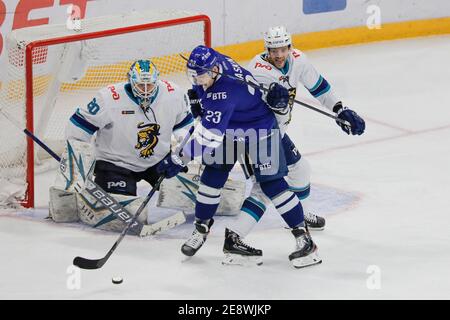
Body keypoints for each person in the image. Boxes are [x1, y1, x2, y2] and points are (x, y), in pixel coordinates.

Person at [159, 45, 322, 268]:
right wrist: (199, 99)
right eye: (194, 76)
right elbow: (202, 90)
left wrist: (180, 159)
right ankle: (201, 229)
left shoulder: (225, 93)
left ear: (215, 70)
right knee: (212, 176)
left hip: (260, 129)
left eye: (202, 76)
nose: (197, 81)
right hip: (229, 126)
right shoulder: (214, 66)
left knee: (273, 184)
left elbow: (208, 137)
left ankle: (304, 239)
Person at [219, 26, 365, 265]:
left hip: (274, 134)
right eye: (273, 50)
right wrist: (279, 105)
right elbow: (264, 113)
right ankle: (235, 237)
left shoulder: (299, 60)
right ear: (266, 49)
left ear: (290, 46)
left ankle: (300, 215)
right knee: (263, 189)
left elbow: (319, 87)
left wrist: (340, 109)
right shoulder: (259, 71)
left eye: (283, 49)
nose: (278, 54)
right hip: (255, 136)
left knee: (301, 170)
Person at [65, 59, 194, 197]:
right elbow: (80, 126)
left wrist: (182, 156)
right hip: (116, 164)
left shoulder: (173, 94)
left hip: (158, 161)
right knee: (120, 209)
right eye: (140, 85)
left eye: (149, 85)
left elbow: (185, 128)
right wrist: (76, 162)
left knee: (186, 197)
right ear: (130, 81)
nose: (145, 91)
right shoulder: (109, 98)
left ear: (157, 81)